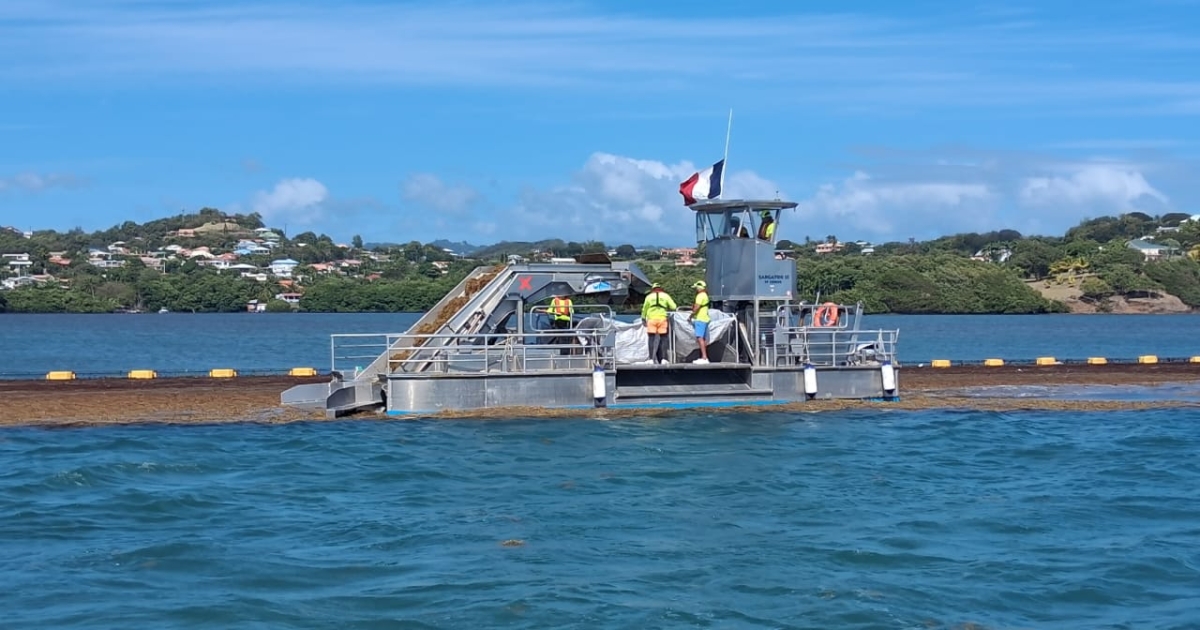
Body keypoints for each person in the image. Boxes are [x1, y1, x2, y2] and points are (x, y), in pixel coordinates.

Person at [640, 282, 677, 364]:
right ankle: (664, 359)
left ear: (653, 289)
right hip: (662, 319)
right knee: (664, 338)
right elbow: (674, 307)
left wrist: (643, 318)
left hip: (651, 319)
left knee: (651, 339)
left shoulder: (649, 297)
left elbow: (644, 309)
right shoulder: (666, 296)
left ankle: (650, 359)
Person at [689, 280, 711, 364]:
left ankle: (704, 357)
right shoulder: (705, 295)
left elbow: (696, 308)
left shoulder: (700, 296)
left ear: (699, 288)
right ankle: (704, 356)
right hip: (705, 318)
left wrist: (691, 316)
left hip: (700, 319)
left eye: (696, 288)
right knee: (704, 339)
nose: (696, 290)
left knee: (699, 338)